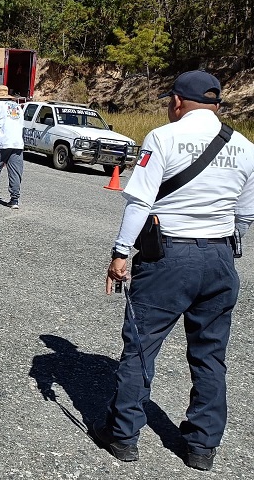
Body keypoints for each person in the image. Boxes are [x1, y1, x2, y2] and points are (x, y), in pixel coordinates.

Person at [96, 70, 254, 471]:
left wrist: (120, 253)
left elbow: (139, 203)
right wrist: (225, 249)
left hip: (169, 257)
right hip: (219, 260)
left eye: (171, 101)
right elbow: (246, 214)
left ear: (178, 103)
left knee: (141, 347)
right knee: (210, 356)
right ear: (216, 104)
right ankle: (201, 448)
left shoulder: (162, 137)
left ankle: (123, 436)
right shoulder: (245, 146)